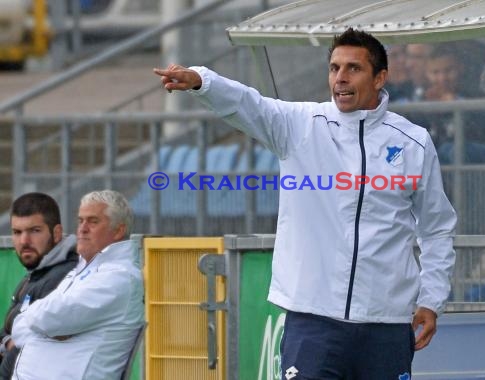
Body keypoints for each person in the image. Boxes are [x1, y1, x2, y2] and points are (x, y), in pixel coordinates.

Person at [154, 28, 457, 379]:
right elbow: (248, 104)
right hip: (314, 321)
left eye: (353, 69)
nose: (340, 78)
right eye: (334, 68)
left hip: (386, 324)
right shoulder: (300, 125)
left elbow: (436, 228)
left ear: (380, 78)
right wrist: (201, 82)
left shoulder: (413, 142)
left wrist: (431, 299)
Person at [10, 190, 144, 380]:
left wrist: (36, 320)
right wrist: (45, 329)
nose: (82, 228)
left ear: (118, 230)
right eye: (80, 220)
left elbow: (49, 317)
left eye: (93, 221)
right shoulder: (82, 270)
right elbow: (19, 330)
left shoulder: (119, 277)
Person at [0, 193, 78, 380]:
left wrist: (11, 342)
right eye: (17, 232)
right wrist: (8, 342)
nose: (24, 241)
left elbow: (30, 347)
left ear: (57, 233)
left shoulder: (64, 277)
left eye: (34, 231)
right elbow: (8, 331)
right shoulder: (38, 272)